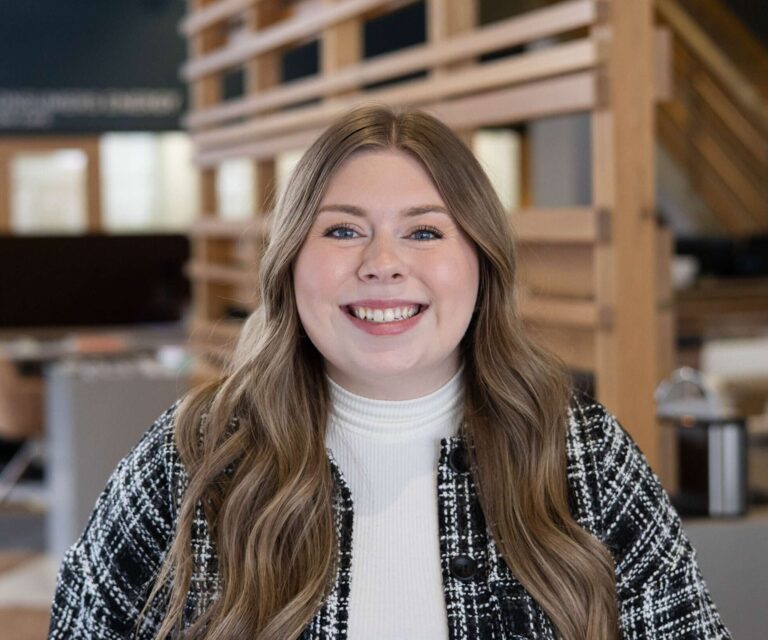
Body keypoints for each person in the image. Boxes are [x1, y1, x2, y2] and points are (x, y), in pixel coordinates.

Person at [47, 104, 731, 640]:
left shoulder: (584, 456)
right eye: (342, 230)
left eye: (425, 232)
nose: (381, 263)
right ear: (290, 262)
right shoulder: (193, 456)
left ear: (481, 262)